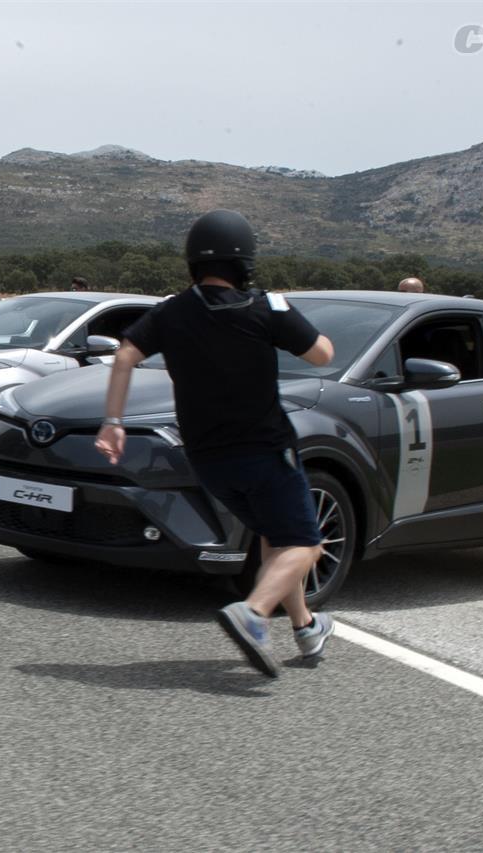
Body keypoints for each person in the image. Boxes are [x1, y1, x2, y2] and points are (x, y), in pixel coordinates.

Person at [95, 210, 335, 676]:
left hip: (208, 460)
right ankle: (254, 613)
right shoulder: (266, 307)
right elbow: (322, 354)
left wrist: (113, 422)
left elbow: (124, 354)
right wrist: (289, 316)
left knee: (277, 538)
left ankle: (306, 627)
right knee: (306, 544)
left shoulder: (171, 311)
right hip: (265, 451)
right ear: (244, 261)